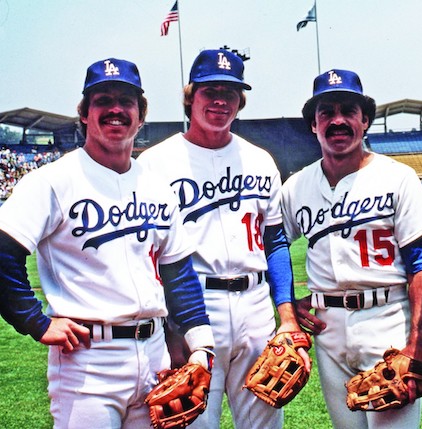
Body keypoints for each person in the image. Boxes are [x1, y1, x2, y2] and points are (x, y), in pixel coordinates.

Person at [0, 58, 215, 428]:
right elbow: (4, 254)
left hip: (155, 354)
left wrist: (200, 346)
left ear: (140, 115)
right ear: (84, 113)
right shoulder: (51, 180)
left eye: (126, 101)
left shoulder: (157, 185)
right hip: (88, 362)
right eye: (103, 100)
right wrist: (34, 322)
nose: (115, 109)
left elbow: (178, 273)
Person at [137, 49, 309, 429]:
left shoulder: (261, 160)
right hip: (194, 308)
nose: (220, 101)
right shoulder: (154, 164)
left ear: (240, 100)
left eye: (230, 92)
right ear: (190, 97)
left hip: (255, 309)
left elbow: (275, 241)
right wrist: (171, 330)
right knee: (196, 419)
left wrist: (286, 317)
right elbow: (147, 256)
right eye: (210, 90)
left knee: (264, 419)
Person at [281, 69, 422, 428]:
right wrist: (290, 306)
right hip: (327, 327)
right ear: (313, 125)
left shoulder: (397, 177)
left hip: (387, 317)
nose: (338, 120)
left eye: (348, 111)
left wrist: (418, 342)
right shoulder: (296, 186)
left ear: (365, 120)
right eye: (327, 112)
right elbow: (272, 248)